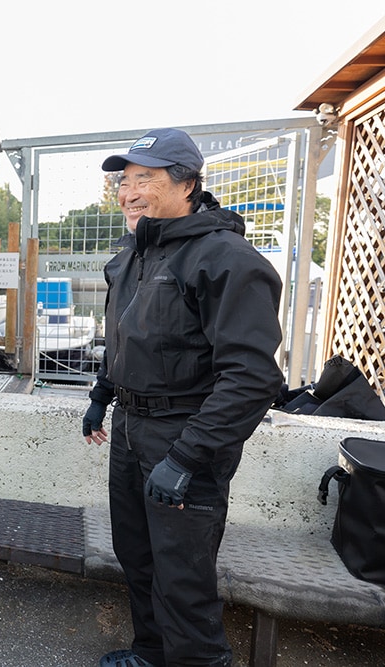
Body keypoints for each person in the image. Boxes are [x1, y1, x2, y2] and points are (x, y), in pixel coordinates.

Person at [82, 128, 283, 667]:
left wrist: (186, 457)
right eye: (124, 182)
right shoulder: (134, 253)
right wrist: (103, 393)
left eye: (144, 179)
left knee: (183, 578)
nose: (128, 193)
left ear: (188, 183)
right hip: (129, 427)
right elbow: (127, 336)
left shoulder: (224, 257)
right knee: (138, 559)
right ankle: (151, 654)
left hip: (185, 436)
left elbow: (252, 378)